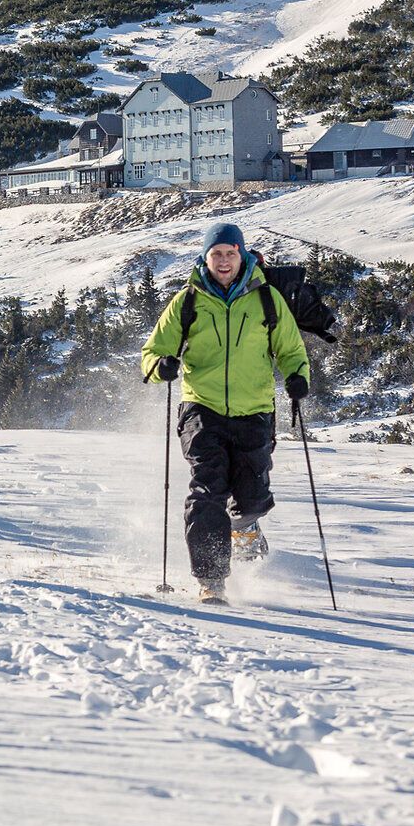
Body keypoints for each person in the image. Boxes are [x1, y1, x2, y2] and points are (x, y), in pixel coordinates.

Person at [140, 221, 311, 603]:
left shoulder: (266, 298)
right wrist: (160, 367)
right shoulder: (187, 301)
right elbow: (152, 351)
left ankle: (244, 527)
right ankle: (211, 580)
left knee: (252, 498)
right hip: (202, 408)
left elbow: (290, 349)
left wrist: (298, 376)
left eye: (229, 253)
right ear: (205, 257)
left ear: (241, 255)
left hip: (255, 411)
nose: (222, 260)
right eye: (215, 254)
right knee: (207, 490)